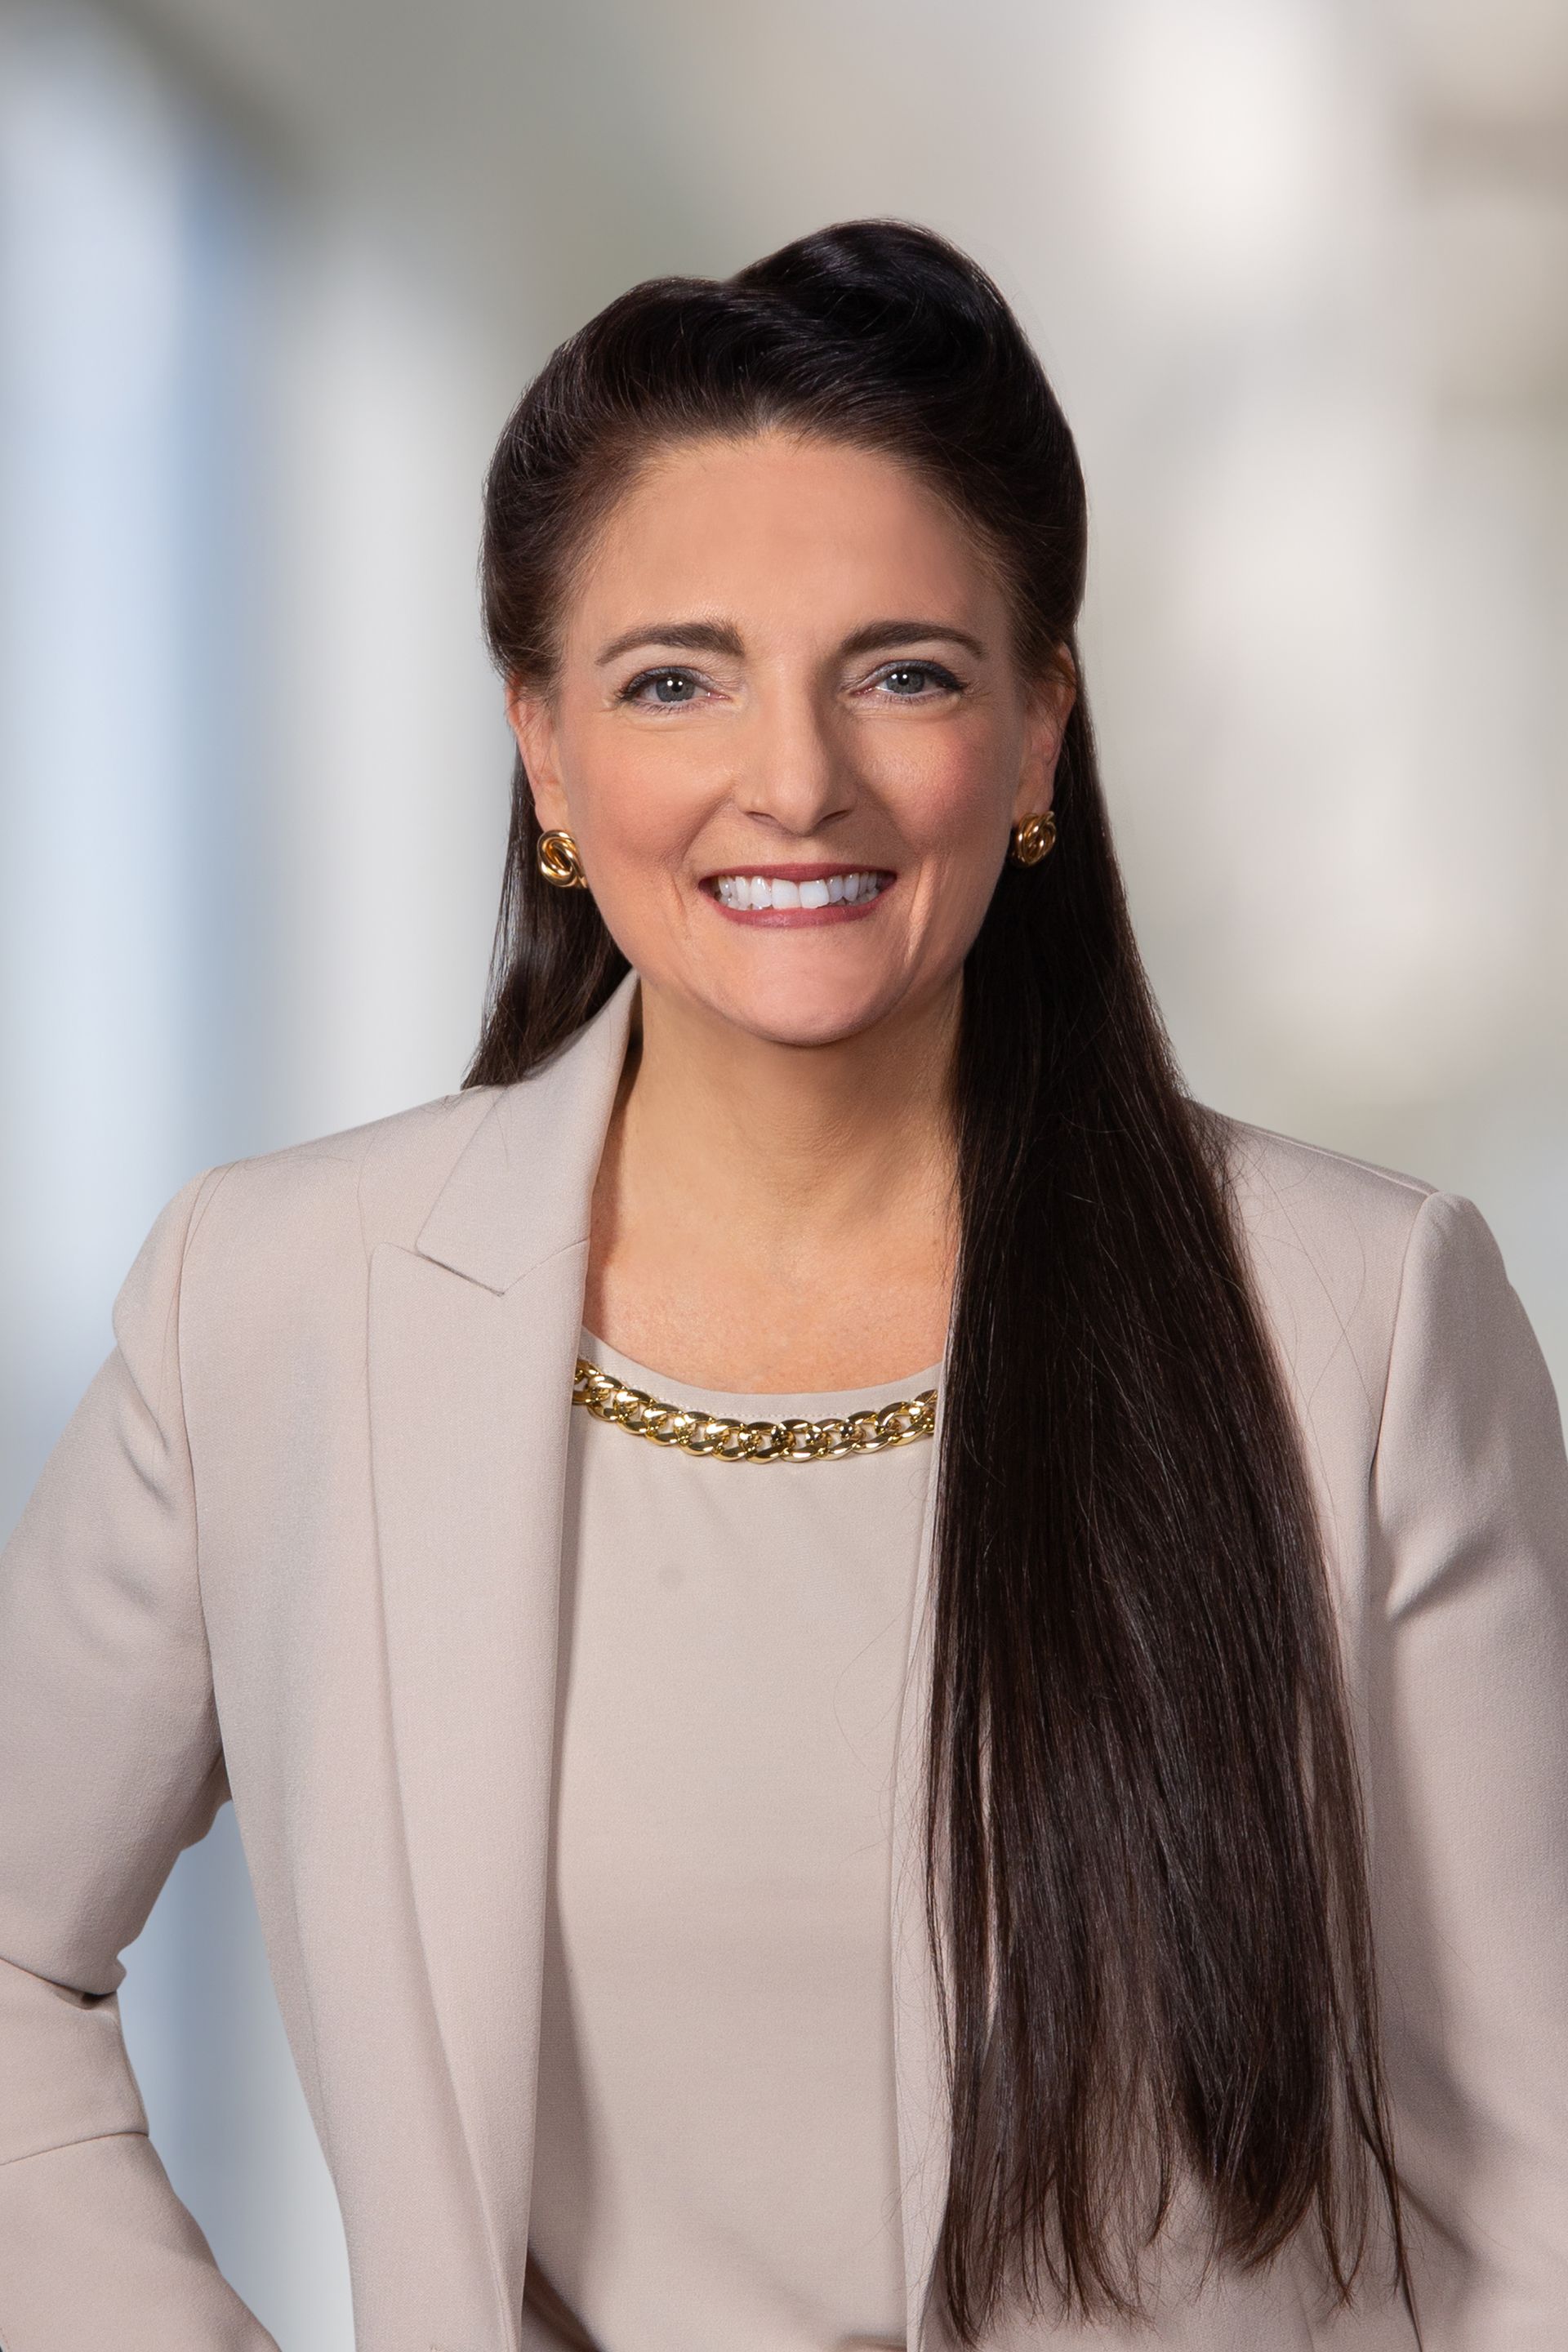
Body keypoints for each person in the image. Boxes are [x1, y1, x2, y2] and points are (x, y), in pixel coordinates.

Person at [2, 219, 1566, 2352]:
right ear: (546, 751)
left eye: (902, 669)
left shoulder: (1360, 1317)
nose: (796, 777)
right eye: (676, 677)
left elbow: (1539, 2172)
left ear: (1035, 744)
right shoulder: (278, 1306)